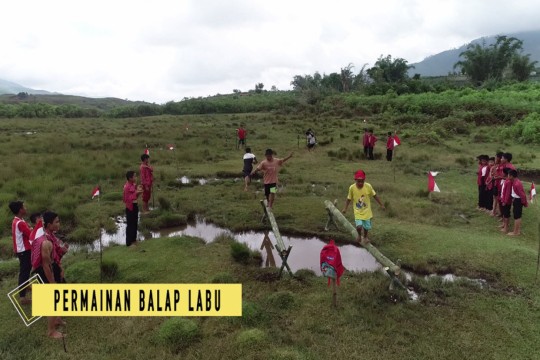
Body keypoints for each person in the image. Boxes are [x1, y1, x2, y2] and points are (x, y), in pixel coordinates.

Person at [31, 211, 65, 339]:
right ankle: (51, 331)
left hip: (53, 267)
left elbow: (54, 257)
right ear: (49, 225)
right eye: (56, 221)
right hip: (45, 271)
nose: (59, 223)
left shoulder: (51, 235)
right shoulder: (46, 242)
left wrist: (60, 268)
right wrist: (52, 283)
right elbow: (46, 265)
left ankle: (57, 319)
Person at [342, 170, 385, 245]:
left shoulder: (368, 186)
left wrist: (381, 204)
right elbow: (349, 199)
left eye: (362, 181)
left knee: (366, 227)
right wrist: (345, 208)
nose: (360, 183)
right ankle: (359, 235)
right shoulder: (352, 188)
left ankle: (365, 237)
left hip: (367, 211)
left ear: (364, 180)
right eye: (358, 181)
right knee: (359, 226)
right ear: (355, 180)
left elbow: (375, 195)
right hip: (357, 211)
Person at [9, 201, 32, 305]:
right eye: (24, 207)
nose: (26, 208)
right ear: (20, 210)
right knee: (24, 272)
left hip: (21, 250)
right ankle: (22, 297)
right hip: (24, 250)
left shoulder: (16, 220)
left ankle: (26, 285)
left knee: (26, 269)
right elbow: (30, 234)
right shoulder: (20, 223)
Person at [123, 170, 143, 246]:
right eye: (134, 176)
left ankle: (134, 240)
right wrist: (137, 193)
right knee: (130, 225)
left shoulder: (133, 185)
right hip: (130, 207)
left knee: (135, 223)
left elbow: (135, 196)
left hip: (135, 205)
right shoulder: (126, 187)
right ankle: (129, 243)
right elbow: (127, 199)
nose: (136, 177)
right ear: (130, 178)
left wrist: (138, 192)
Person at [507, 170, 528, 236]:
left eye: (508, 175)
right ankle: (517, 230)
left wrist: (524, 203)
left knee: (517, 216)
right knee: (517, 215)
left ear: (511, 176)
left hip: (518, 201)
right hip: (516, 200)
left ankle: (515, 232)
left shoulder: (517, 183)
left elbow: (522, 195)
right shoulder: (514, 181)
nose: (507, 176)